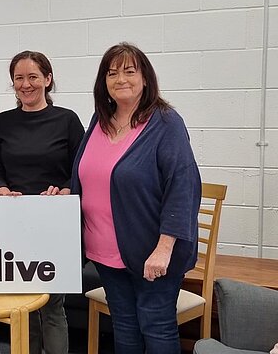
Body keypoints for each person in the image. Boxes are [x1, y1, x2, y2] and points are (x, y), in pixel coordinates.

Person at [70, 42, 201, 354]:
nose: (121, 79)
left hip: (151, 253)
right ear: (104, 82)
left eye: (129, 71)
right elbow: (88, 175)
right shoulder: (99, 120)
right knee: (125, 327)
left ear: (145, 79)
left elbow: (183, 186)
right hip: (104, 251)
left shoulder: (165, 122)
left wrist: (164, 249)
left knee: (156, 328)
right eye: (112, 73)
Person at [0, 50, 85, 354]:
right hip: (13, 224)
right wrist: (1, 189)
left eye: (33, 77)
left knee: (52, 305)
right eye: (19, 78)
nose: (25, 84)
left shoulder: (67, 120)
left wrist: (67, 191)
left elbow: (82, 171)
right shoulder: (3, 122)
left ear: (47, 79)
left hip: (55, 223)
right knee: (22, 306)